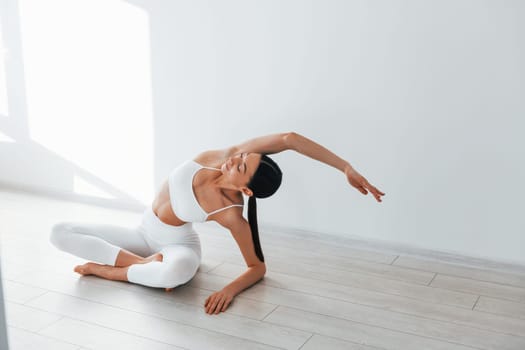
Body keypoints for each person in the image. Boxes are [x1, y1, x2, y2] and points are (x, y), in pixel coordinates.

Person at [50, 132, 385, 315]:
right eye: (241, 157)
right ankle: (140, 266)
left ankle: (110, 271)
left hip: (176, 245)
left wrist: (229, 290)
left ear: (245, 189)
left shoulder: (230, 214)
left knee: (176, 273)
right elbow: (289, 140)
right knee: (59, 232)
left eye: (239, 166)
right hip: (142, 231)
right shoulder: (223, 155)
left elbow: (257, 267)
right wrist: (345, 168)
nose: (233, 159)